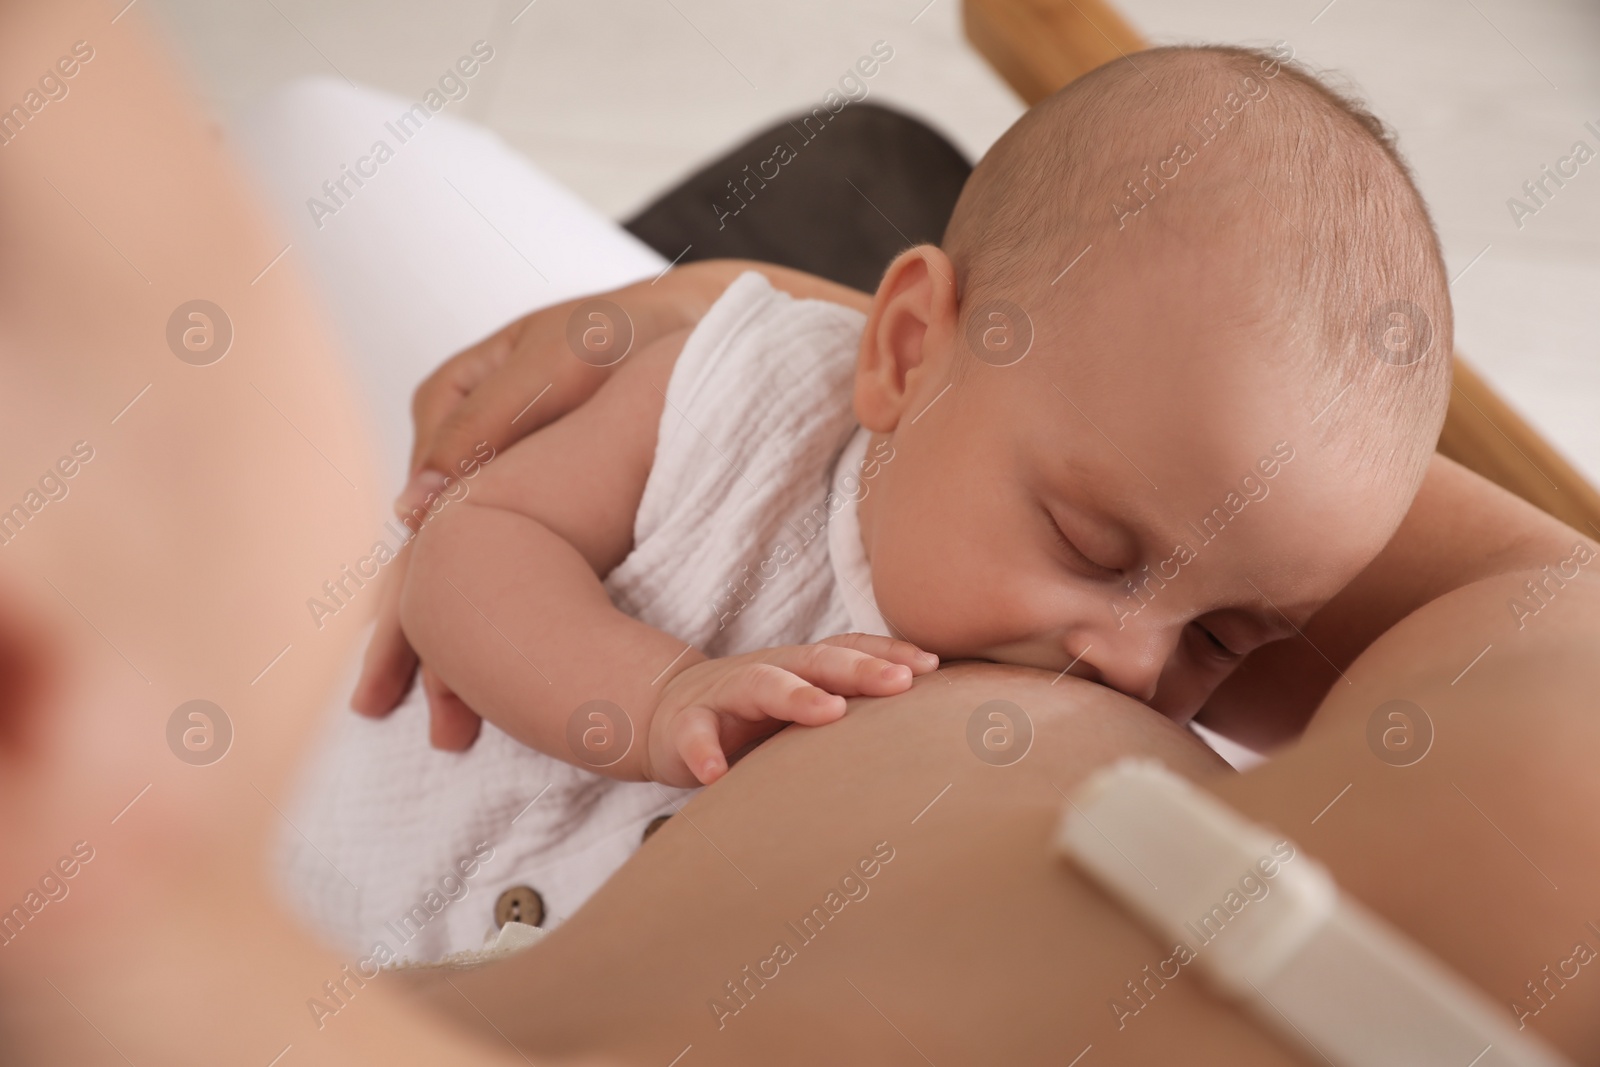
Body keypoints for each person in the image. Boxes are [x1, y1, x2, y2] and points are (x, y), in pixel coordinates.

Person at [2, 4, 1596, 1063]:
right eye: (1093, 542)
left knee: (316, 142)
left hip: (419, 916)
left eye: (1227, 642)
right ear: (908, 350)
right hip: (496, 794)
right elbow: (471, 552)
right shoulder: (740, 415)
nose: (1131, 658)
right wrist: (657, 687)